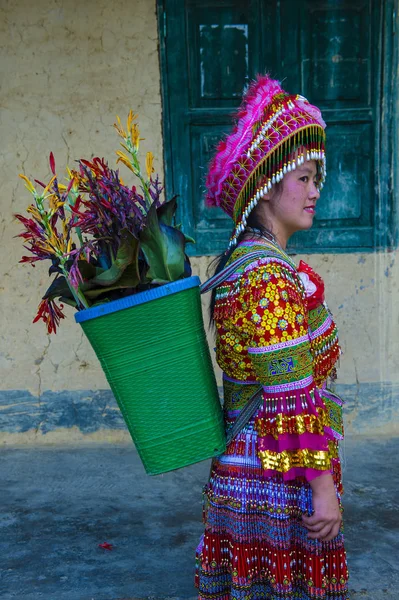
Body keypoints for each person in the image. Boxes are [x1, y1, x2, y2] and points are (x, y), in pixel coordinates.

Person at [195, 75, 349, 599]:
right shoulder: (266, 278)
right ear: (266, 184)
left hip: (259, 468)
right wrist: (324, 491)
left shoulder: (257, 267)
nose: (314, 191)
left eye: (315, 179)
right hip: (278, 478)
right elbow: (290, 395)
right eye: (304, 178)